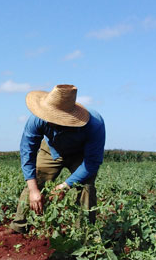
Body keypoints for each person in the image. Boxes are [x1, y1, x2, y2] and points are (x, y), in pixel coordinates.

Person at [9, 84, 105, 233]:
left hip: (80, 154)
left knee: (86, 186)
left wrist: (65, 185)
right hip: (51, 149)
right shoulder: (37, 119)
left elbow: (92, 163)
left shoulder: (94, 123)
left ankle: (85, 232)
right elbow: (27, 151)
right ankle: (19, 226)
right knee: (36, 181)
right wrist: (34, 189)